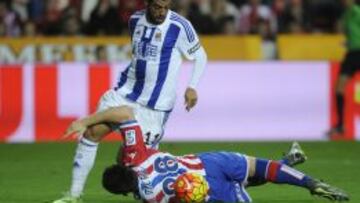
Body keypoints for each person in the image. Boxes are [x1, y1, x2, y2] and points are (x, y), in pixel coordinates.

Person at [53, 0, 207, 202]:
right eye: (157, 7)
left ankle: (148, 195)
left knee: (130, 161)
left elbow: (201, 55)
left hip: (155, 107)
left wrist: (192, 86)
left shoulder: (179, 26)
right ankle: (74, 196)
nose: (162, 12)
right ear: (148, 4)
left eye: (165, 7)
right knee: (91, 133)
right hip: (127, 93)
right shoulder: (135, 20)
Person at [63, 106, 348, 203]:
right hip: (207, 160)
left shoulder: (151, 198)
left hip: (207, 188)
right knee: (260, 169)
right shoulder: (134, 155)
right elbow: (125, 113)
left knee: (248, 182)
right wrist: (86, 121)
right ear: (122, 162)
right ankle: (308, 180)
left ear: (124, 193)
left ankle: (289, 165)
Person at [328, 0, 360, 138]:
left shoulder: (356, 11)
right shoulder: (346, 14)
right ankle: (340, 125)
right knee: (339, 88)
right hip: (352, 54)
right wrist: (348, 42)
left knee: (340, 87)